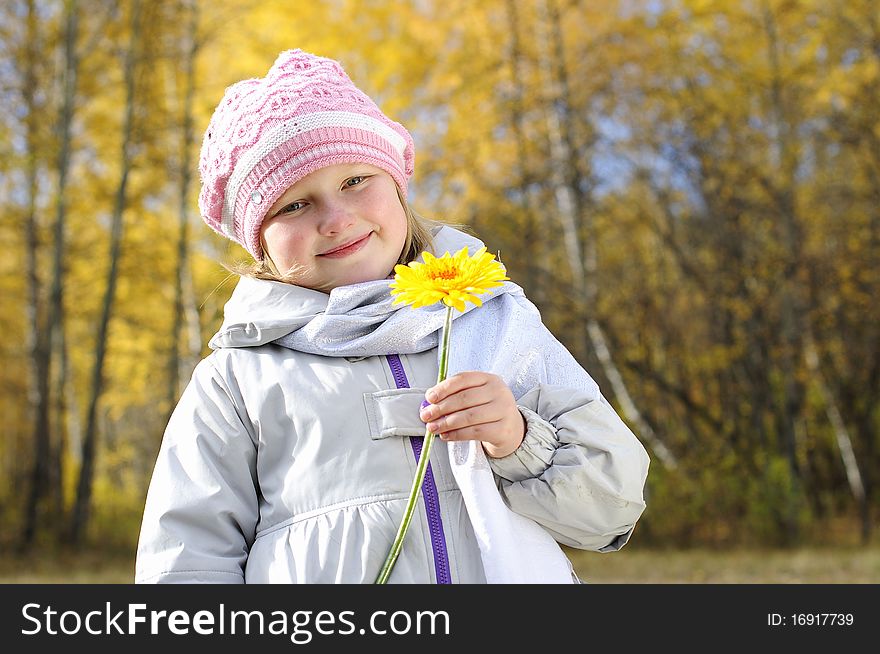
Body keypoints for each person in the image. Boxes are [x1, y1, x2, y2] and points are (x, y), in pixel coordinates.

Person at [135, 49, 650, 584]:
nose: (336, 219)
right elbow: (184, 564)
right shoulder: (237, 378)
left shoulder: (492, 320)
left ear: (398, 188)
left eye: (355, 180)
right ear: (259, 243)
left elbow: (611, 508)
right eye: (293, 205)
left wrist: (519, 441)